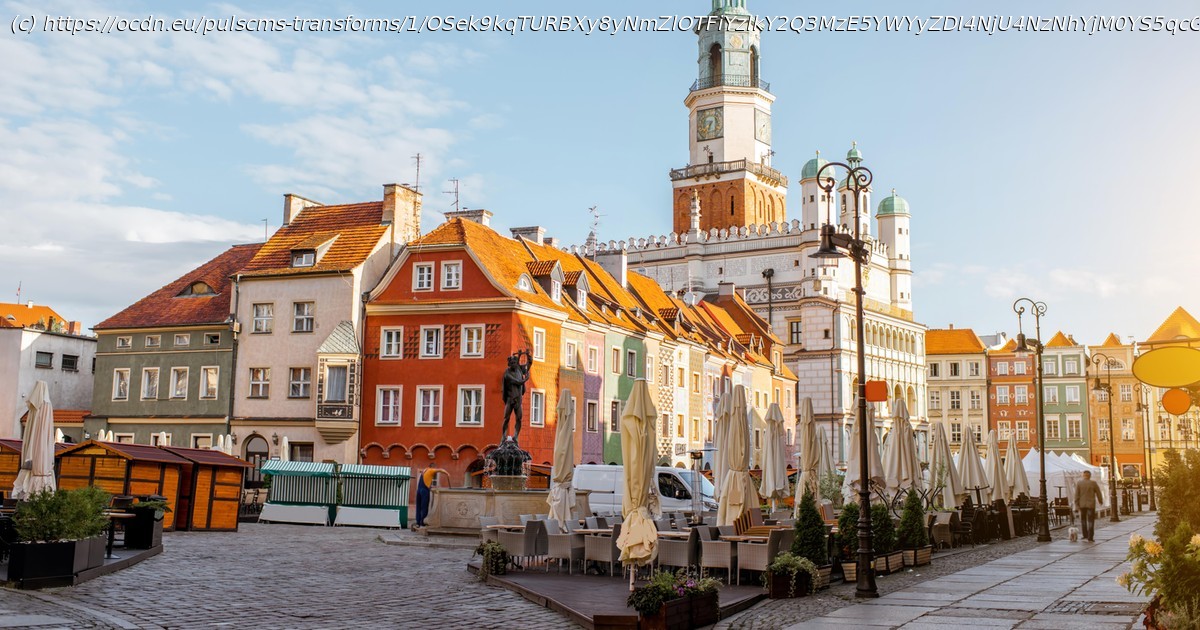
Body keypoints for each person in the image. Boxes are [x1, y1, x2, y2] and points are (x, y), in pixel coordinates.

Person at [1074, 470, 1104, 542]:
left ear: (1083, 475)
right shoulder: (1093, 483)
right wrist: (1100, 500)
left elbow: (1076, 495)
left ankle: (1085, 535)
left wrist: (1076, 504)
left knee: (1083, 520)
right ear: (1090, 476)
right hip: (1091, 505)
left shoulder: (1079, 483)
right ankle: (1090, 537)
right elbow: (1098, 492)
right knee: (1091, 521)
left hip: (1082, 504)